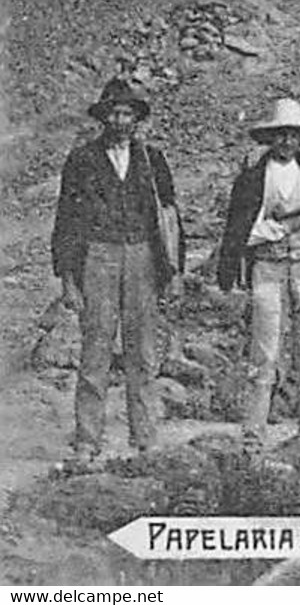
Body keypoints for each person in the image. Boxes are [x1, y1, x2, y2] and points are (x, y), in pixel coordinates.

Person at [50, 79, 184, 471]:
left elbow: (170, 218)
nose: (121, 120)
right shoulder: (82, 159)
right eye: (114, 113)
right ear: (103, 117)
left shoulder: (152, 159)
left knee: (142, 350)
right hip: (99, 256)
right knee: (96, 348)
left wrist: (173, 270)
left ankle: (145, 439)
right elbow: (67, 220)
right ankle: (87, 442)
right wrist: (68, 279)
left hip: (142, 256)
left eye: (128, 113)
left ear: (137, 118)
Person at [218, 98, 300, 451]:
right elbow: (245, 233)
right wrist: (284, 225)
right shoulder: (253, 179)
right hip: (268, 265)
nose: (287, 142)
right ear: (271, 138)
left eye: (293, 135)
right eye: (281, 135)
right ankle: (253, 433)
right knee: (264, 348)